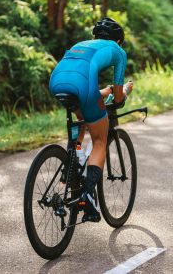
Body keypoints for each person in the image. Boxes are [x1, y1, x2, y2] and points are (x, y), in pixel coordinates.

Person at [49, 17, 133, 222]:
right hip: (83, 85)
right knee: (100, 140)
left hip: (57, 81)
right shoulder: (118, 51)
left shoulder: (82, 45)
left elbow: (84, 82)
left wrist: (104, 92)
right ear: (119, 40)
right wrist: (124, 92)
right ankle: (87, 195)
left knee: (82, 118)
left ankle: (70, 169)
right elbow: (119, 97)